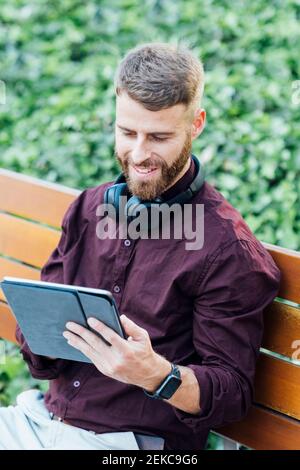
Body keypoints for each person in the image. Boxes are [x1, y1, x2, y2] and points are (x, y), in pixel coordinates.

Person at [0, 42, 280, 450]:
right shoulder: (88, 209)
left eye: (159, 136)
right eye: (127, 132)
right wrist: (41, 332)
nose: (139, 153)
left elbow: (232, 393)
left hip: (130, 445)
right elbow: (41, 353)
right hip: (39, 421)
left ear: (196, 124)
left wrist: (155, 374)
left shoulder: (227, 250)